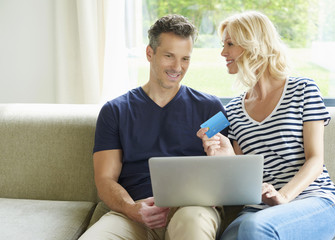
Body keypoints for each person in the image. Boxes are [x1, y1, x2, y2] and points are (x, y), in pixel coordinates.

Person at [197, 11, 335, 240]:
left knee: (255, 229)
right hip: (258, 209)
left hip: (311, 199)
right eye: (223, 44)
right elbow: (243, 177)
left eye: (230, 44)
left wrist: (283, 196)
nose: (223, 52)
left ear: (253, 45)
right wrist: (224, 157)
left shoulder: (303, 90)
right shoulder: (233, 110)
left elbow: (315, 160)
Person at [79, 14, 226, 240]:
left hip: (192, 209)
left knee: (193, 227)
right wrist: (131, 209)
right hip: (134, 211)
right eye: (169, 56)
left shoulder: (210, 108)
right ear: (150, 53)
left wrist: (217, 156)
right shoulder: (115, 111)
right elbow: (105, 180)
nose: (178, 67)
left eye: (185, 59)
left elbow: (226, 173)